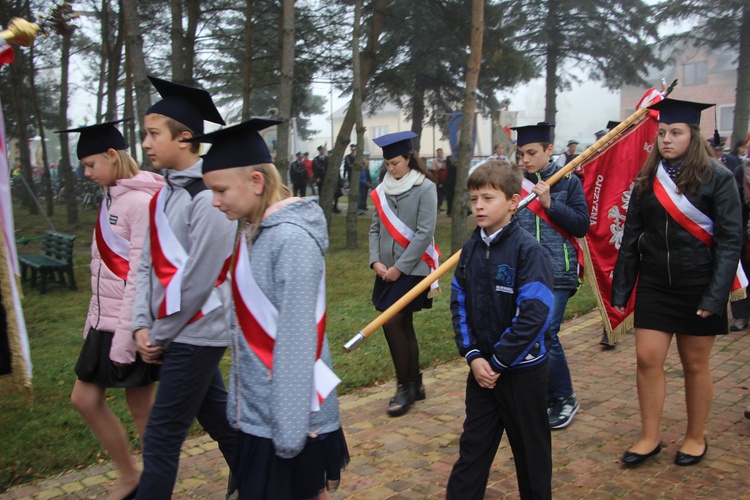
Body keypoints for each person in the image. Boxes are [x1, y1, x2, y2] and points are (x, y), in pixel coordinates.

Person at [187, 118, 348, 499]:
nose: (214, 200)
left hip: (289, 419)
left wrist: (290, 433)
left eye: (221, 189)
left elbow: (296, 342)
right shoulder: (252, 232)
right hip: (260, 413)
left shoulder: (290, 242)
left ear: (256, 182)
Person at [612, 99, 742, 467]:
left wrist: (716, 295)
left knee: (694, 364)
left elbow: (731, 240)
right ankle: (649, 436)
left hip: (699, 284)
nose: (667, 139)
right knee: (646, 358)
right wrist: (622, 289)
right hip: (655, 283)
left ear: (692, 135)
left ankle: (694, 437)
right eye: (663, 133)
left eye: (676, 133)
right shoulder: (646, 180)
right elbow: (632, 237)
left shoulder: (718, 177)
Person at [132, 76, 238, 498]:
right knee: (220, 421)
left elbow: (200, 278)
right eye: (145, 133)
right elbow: (144, 263)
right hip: (171, 332)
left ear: (186, 137)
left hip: (199, 331)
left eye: (153, 134)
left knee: (160, 437)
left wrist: (158, 332)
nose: (145, 143)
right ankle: (261, 480)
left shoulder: (208, 197)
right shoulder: (161, 195)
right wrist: (142, 321)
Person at [62, 120, 164, 500]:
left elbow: (139, 274)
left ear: (111, 156)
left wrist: (126, 336)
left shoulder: (139, 203)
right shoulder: (111, 197)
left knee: (141, 405)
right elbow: (103, 271)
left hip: (129, 323)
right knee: (84, 399)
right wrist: (93, 320)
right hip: (104, 322)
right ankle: (129, 474)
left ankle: (152, 481)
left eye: (91, 165)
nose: (87, 173)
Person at [446, 160, 554, 500]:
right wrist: (474, 355)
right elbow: (459, 304)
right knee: (472, 452)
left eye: (488, 198)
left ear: (512, 201)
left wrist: (499, 361)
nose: (478, 205)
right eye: (474, 197)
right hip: (482, 374)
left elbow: (534, 315)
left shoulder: (528, 251)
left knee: (531, 457)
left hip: (522, 373)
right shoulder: (470, 250)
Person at [513, 122, 589, 430]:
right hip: (525, 272)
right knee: (528, 333)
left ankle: (564, 397)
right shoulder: (513, 183)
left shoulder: (568, 181)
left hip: (558, 271)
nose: (525, 160)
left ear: (548, 150)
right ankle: (541, 395)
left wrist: (550, 203)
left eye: (531, 153)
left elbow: (581, 225)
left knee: (546, 332)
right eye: (520, 154)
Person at [369, 131, 438, 417]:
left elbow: (424, 234)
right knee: (402, 325)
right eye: (387, 164)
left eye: (395, 162)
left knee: (392, 323)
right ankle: (415, 384)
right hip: (386, 271)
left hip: (412, 270)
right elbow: (375, 229)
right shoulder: (381, 190)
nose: (391, 168)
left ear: (409, 159)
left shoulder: (426, 188)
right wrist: (376, 261)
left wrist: (400, 268)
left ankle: (404, 387)